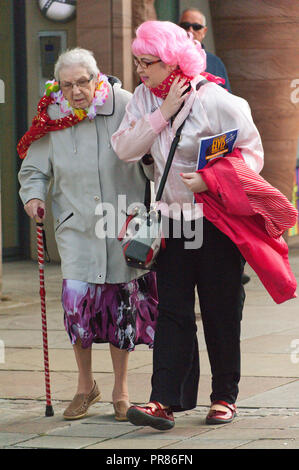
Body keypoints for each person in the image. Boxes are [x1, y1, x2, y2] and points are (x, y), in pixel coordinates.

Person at [111, 20, 264, 430]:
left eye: (149, 62)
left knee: (220, 310)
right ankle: (164, 400)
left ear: (175, 60)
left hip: (216, 222)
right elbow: (124, 148)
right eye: (137, 62)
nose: (141, 70)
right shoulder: (144, 99)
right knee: (172, 312)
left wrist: (211, 179)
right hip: (171, 222)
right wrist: (161, 114)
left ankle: (223, 397)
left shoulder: (215, 98)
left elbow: (252, 155)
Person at [18, 47, 158, 422]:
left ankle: (121, 391)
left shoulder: (128, 105)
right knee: (77, 308)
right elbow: (34, 169)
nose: (76, 91)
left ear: (97, 77)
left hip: (122, 226)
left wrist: (148, 161)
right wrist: (33, 197)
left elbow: (153, 164)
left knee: (121, 309)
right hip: (76, 227)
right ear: (58, 85)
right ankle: (85, 387)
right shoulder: (52, 114)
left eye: (83, 81)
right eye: (67, 84)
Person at [179, 8, 231, 92]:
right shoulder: (168, 59)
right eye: (185, 26)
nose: (190, 30)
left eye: (196, 27)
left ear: (204, 31)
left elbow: (226, 97)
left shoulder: (215, 63)